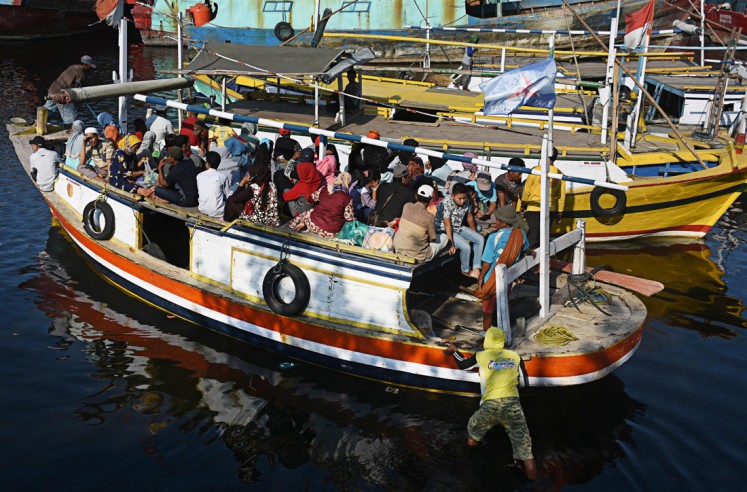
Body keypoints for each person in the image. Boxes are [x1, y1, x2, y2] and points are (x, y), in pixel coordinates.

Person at [444, 327, 539, 481]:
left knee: (473, 431)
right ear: (502, 340)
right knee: (526, 451)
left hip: (490, 405)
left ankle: (472, 460)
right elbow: (523, 383)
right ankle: (536, 483)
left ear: (487, 340)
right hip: (512, 406)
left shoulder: (482, 355)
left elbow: (463, 365)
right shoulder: (514, 356)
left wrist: (454, 350)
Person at [475, 206, 529, 331]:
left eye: (498, 220)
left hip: (492, 278)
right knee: (504, 300)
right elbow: (525, 249)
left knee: (488, 309)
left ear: (504, 223)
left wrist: (481, 277)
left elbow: (487, 262)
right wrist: (530, 251)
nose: (495, 222)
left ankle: (487, 334)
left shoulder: (493, 238)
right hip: (509, 277)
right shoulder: (521, 235)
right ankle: (506, 327)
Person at [520, 147, 566, 249]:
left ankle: (531, 261)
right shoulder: (560, 174)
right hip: (550, 209)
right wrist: (559, 213)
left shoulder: (535, 170)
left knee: (531, 238)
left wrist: (523, 204)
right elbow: (561, 196)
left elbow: (527, 190)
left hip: (533, 208)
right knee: (543, 238)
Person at [435, 182, 483, 278]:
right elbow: (447, 224)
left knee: (480, 239)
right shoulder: (446, 202)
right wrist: (451, 244)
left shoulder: (467, 201)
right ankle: (465, 270)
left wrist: (474, 234)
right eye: (460, 198)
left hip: (458, 227)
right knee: (466, 247)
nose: (462, 201)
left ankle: (476, 267)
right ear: (453, 196)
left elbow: (469, 217)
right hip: (444, 229)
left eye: (464, 198)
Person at [289, 172, 355, 238]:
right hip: (331, 232)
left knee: (308, 212)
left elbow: (311, 199)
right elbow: (349, 218)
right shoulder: (347, 198)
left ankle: (296, 224)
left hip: (314, 225)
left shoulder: (324, 189)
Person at [393, 184, 448, 262]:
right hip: (418, 255)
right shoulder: (430, 217)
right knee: (444, 237)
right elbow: (433, 238)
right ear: (430, 200)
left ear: (416, 196)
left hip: (398, 247)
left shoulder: (406, 206)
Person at [43, 55, 96, 126]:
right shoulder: (81, 73)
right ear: (85, 64)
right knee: (71, 116)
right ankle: (70, 130)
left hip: (53, 89)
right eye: (89, 66)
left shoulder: (72, 67)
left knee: (47, 110)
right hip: (62, 95)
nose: (90, 68)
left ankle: (39, 123)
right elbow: (76, 89)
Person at [282, 150, 322, 218]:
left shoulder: (302, 186)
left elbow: (285, 197)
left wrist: (293, 159)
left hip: (299, 214)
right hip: (310, 211)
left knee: (286, 190)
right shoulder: (318, 181)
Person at [238, 163, 279, 227]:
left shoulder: (254, 187)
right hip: (271, 220)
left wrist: (242, 183)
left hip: (255, 220)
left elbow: (236, 199)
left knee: (232, 202)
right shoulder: (272, 185)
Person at [196, 151, 231, 218]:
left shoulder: (199, 176)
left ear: (207, 164)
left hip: (202, 209)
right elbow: (228, 194)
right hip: (218, 212)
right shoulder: (222, 176)